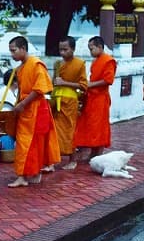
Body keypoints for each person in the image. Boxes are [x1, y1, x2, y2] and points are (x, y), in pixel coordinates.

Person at [7, 36, 61, 187]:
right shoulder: (21, 67)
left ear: (23, 48)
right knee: (26, 143)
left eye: (14, 51)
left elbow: (39, 89)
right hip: (26, 109)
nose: (12, 55)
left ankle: (28, 175)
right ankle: (28, 175)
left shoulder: (36, 64)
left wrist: (23, 104)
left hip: (36, 109)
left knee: (32, 143)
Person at [72, 36, 116, 165]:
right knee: (91, 126)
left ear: (100, 47)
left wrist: (90, 85)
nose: (90, 52)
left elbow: (108, 80)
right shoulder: (96, 61)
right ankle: (92, 152)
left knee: (100, 126)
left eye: (92, 49)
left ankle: (99, 154)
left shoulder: (109, 61)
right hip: (92, 98)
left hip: (101, 99)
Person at [51, 36, 88, 170]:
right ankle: (54, 159)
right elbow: (53, 82)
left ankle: (73, 160)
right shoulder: (57, 64)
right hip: (56, 100)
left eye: (65, 49)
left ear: (73, 49)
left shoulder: (80, 64)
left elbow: (84, 85)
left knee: (69, 131)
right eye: (60, 49)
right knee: (55, 131)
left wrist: (65, 83)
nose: (62, 52)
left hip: (70, 101)